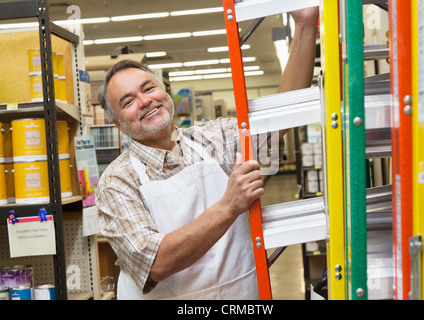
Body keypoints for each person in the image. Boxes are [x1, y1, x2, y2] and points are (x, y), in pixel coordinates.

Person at [95, 6, 319, 300]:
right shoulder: (117, 182)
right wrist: (229, 206)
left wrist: (305, 25)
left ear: (164, 92)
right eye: (128, 101)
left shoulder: (214, 139)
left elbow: (282, 117)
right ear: (119, 125)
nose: (145, 101)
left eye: (148, 88)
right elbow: (156, 262)